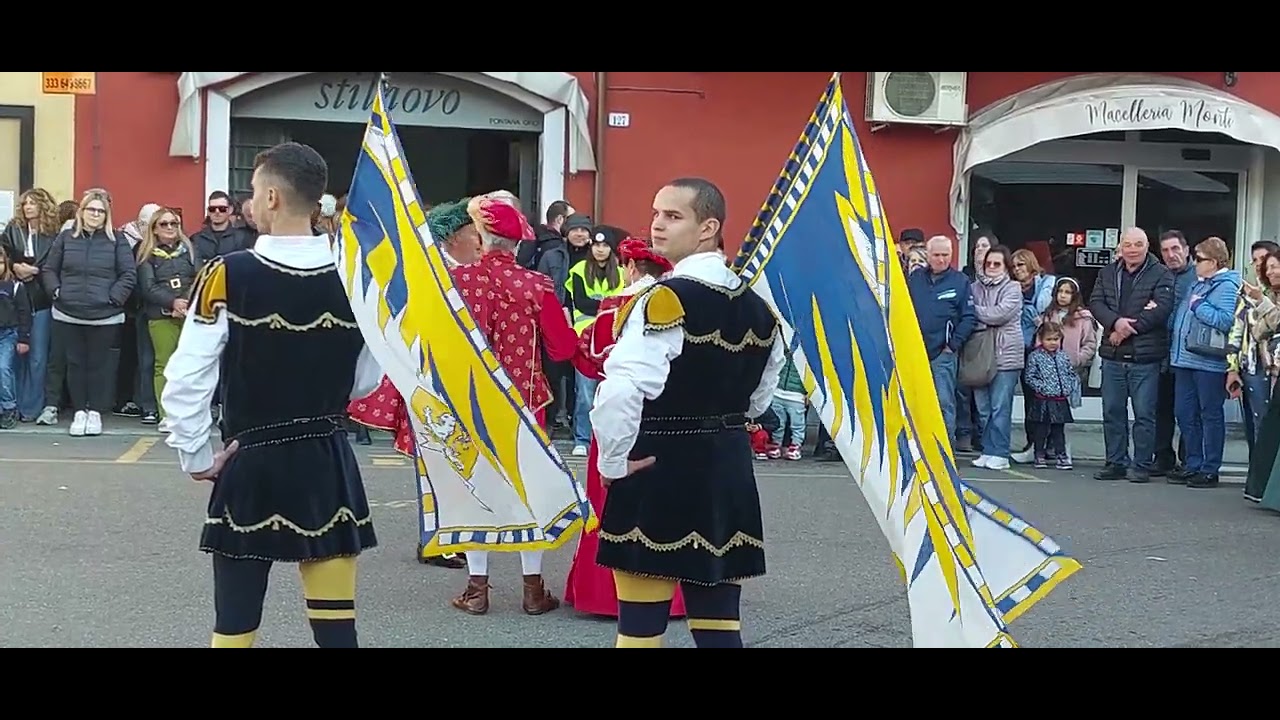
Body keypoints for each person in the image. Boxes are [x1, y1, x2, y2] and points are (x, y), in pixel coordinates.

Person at [161, 142, 382, 648]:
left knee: (234, 627)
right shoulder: (357, 278)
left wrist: (196, 454)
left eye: (255, 191)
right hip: (327, 460)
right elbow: (364, 380)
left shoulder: (226, 274)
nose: (249, 203)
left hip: (251, 461)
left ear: (274, 198)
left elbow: (188, 376)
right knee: (337, 630)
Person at [592, 178, 785, 648]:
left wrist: (612, 463)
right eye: (656, 213)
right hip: (727, 469)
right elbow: (759, 400)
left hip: (659, 468)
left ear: (708, 227)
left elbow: (620, 391)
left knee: (639, 633)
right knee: (720, 631)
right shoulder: (762, 309)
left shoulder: (664, 299)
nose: (657, 224)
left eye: (673, 215)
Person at [448, 191, 581, 616]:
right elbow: (562, 348)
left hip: (470, 401)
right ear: (518, 242)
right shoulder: (535, 285)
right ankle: (532, 589)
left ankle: (477, 589)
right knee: (529, 490)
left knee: (474, 488)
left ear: (481, 238)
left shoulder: (456, 281)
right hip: (524, 402)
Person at [347, 198, 479, 571]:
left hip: (454, 378)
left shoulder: (455, 272)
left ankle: (451, 535)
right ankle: (436, 540)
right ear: (454, 238)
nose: (479, 242)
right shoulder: (432, 274)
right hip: (429, 378)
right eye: (473, 234)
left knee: (456, 463)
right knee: (434, 462)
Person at [563, 237, 687, 618]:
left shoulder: (614, 306)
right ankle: (670, 595)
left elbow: (588, 359)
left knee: (608, 502)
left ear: (630, 267)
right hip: (667, 416)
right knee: (664, 506)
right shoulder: (679, 304)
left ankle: (604, 594)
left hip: (617, 411)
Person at [40, 190, 137, 437]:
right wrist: (57, 292)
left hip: (105, 315)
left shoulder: (118, 240)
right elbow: (49, 269)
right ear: (81, 212)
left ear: (107, 215)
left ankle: (95, 412)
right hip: (68, 313)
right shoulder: (65, 238)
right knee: (75, 364)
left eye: (100, 211)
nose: (95, 214)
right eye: (91, 209)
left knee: (99, 366)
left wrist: (114, 298)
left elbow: (128, 274)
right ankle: (79, 412)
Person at [1088, 227, 1174, 484]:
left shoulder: (1162, 274)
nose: (1133, 249)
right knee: (1112, 411)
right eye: (1128, 244)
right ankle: (1115, 462)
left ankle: (1141, 465)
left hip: (1145, 358)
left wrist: (1125, 330)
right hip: (1113, 355)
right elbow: (1096, 303)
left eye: (1138, 244)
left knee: (1144, 414)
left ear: (1147, 246)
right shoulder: (1106, 273)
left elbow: (1161, 309)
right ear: (1121, 247)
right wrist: (1115, 322)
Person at [1167, 236, 1240, 489]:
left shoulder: (1227, 286)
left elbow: (1226, 321)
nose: (1195, 263)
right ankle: (1193, 463)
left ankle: (1209, 469)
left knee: (1209, 415)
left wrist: (1199, 305)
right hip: (1185, 360)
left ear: (1215, 262)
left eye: (1199, 259)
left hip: (1208, 363)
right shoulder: (1198, 283)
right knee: (1184, 413)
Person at [908, 234, 975, 445]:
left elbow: (969, 317)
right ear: (928, 255)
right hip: (915, 352)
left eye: (945, 255)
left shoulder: (960, 281)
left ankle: (945, 448)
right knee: (916, 402)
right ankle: (919, 447)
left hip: (942, 354)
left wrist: (952, 345)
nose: (941, 259)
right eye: (936, 255)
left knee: (944, 402)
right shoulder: (914, 279)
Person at [135, 207, 198, 425]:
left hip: (188, 314)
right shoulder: (147, 254)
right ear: (154, 228)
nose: (170, 227)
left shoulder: (190, 249)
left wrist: (185, 302)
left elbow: (198, 278)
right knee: (164, 365)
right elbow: (148, 287)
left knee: (188, 366)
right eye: (164, 224)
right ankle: (166, 415)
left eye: (174, 223)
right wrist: (173, 302)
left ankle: (187, 413)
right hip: (160, 315)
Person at [1023, 322, 1079, 469]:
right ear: (1041, 339)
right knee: (1041, 429)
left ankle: (1061, 455)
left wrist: (1068, 386)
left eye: (1056, 339)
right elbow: (1029, 377)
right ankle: (1039, 454)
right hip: (1043, 399)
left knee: (1058, 430)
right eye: (1049, 339)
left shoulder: (1063, 356)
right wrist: (1042, 388)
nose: (1053, 343)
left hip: (1060, 399)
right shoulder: (1035, 356)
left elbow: (1070, 373)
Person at [0, 242, 32, 428]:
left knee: (4, 369)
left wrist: (23, 338)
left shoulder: (15, 287)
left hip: (8, 334)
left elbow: (24, 313)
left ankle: (9, 407)